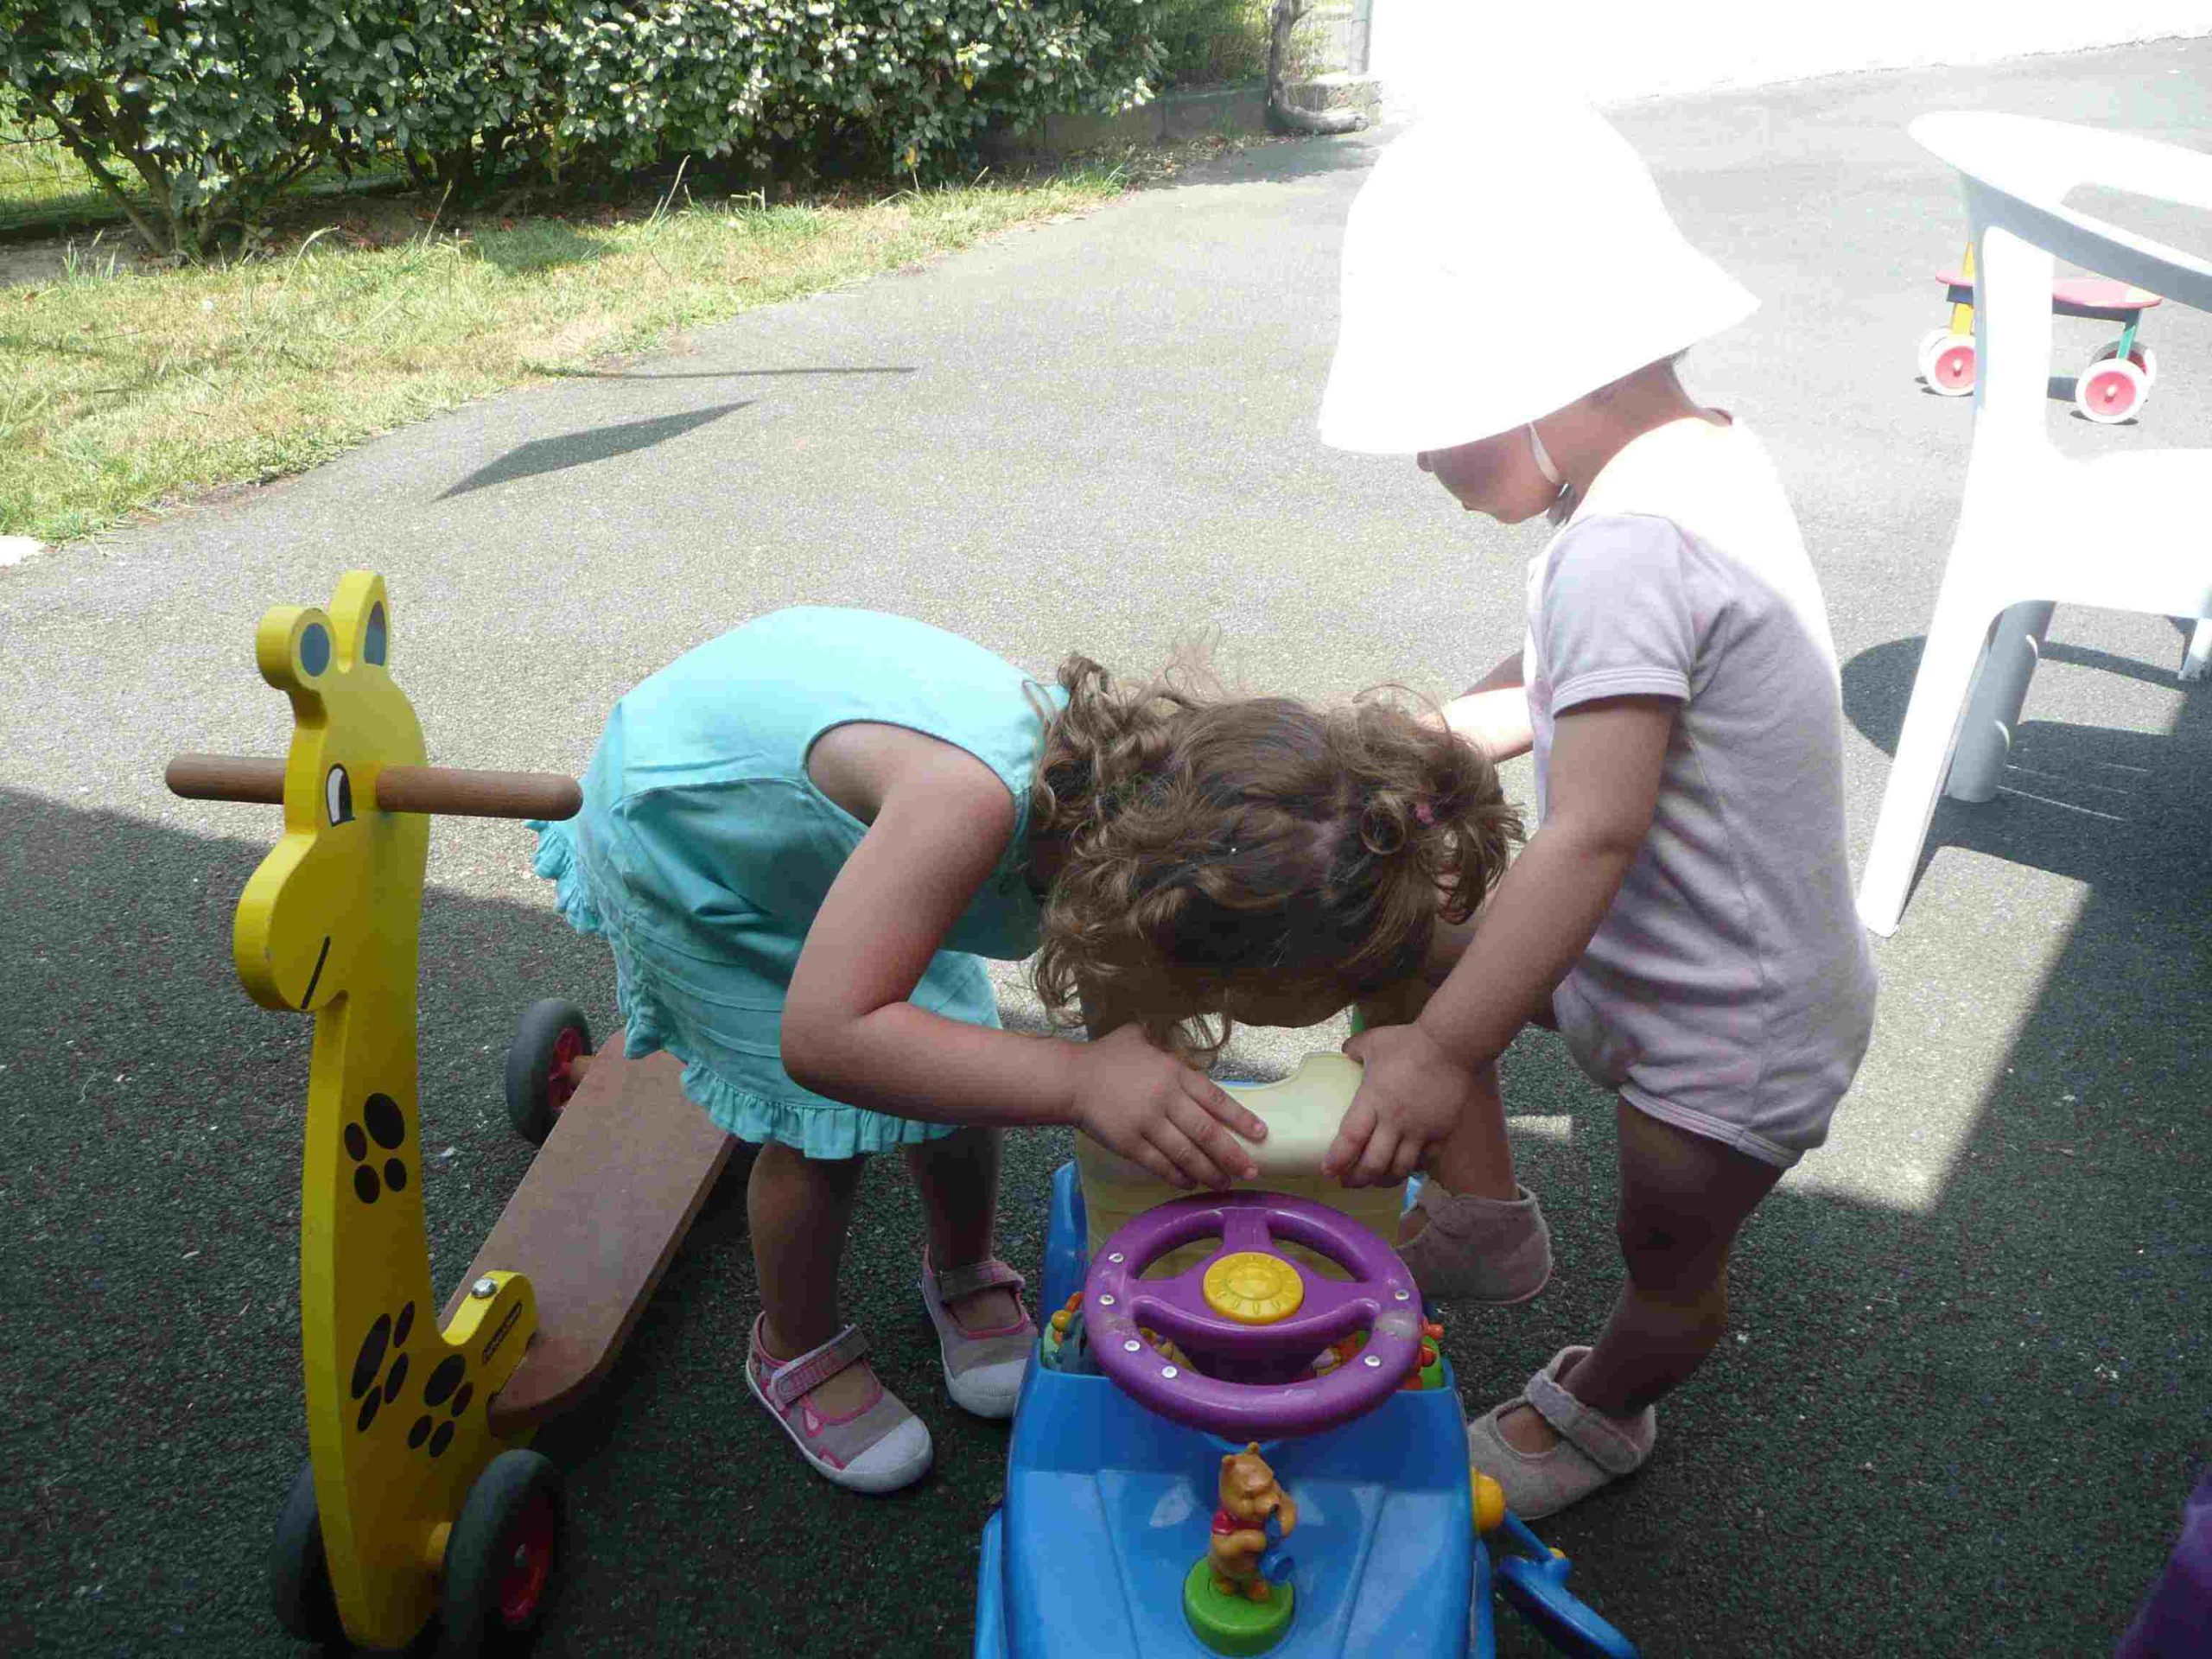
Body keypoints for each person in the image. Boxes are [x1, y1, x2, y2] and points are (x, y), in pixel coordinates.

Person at [531, 606, 1517, 1493]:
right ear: (1182, 932)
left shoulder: (1146, 823)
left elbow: (1093, 1034)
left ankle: (960, 1268)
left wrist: (1125, 1084)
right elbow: (826, 1038)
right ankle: (792, 1344)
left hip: (852, 847)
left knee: (960, 1074)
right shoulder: (968, 808)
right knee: (825, 1130)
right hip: (700, 844)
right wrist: (1081, 1079)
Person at [1314, 98, 1878, 1516]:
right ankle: (1485, 1219)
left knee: (1667, 1259)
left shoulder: (1629, 542)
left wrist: (1442, 1053)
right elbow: (1572, 682)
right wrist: (1411, 744)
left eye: (1433, 424)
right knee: (1392, 937)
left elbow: (1594, 831)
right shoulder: (1692, 462)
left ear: (1535, 374)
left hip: (1726, 1031)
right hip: (1637, 951)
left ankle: (1604, 1405)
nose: (1424, 462)